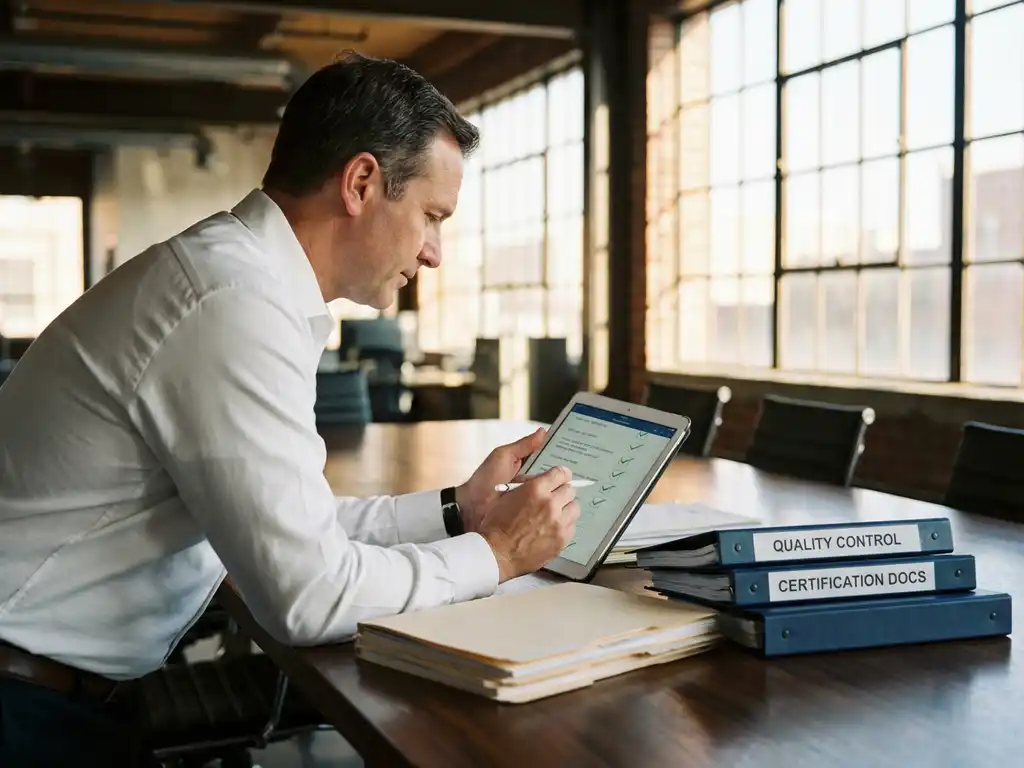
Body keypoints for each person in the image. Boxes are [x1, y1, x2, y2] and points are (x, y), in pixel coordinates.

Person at [0, 52, 580, 766]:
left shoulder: (240, 282)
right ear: (362, 182)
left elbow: (291, 526)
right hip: (26, 712)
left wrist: (461, 510)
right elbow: (308, 597)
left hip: (57, 690)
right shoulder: (231, 305)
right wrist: (496, 555)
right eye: (432, 216)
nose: (435, 253)